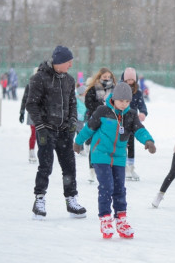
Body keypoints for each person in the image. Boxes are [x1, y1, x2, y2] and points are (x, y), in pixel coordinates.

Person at [73, 82, 156, 239]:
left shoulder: (130, 115)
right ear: (114, 98)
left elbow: (140, 130)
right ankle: (105, 218)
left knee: (119, 188)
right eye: (121, 100)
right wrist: (78, 142)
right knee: (106, 186)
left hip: (118, 157)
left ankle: (121, 218)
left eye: (127, 101)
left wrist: (148, 141)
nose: (124, 104)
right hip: (100, 154)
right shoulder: (103, 111)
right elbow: (89, 128)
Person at [25, 45, 87, 220]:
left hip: (64, 131)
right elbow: (31, 104)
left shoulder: (68, 80)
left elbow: (73, 103)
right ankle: (39, 200)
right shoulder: (39, 78)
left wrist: (73, 121)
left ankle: (71, 200)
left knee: (69, 167)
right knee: (45, 166)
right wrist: (40, 126)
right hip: (46, 130)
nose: (71, 65)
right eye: (69, 62)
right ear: (59, 62)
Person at [84, 68, 117, 183]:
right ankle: (92, 170)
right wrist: (101, 107)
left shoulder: (114, 89)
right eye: (105, 77)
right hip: (95, 119)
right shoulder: (93, 89)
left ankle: (107, 168)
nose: (107, 79)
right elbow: (88, 103)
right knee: (95, 144)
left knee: (108, 144)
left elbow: (118, 103)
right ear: (99, 77)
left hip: (110, 121)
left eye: (109, 77)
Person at [120, 67, 147, 181]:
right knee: (122, 144)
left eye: (132, 80)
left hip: (132, 121)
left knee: (131, 144)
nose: (130, 82)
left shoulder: (138, 92)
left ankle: (131, 167)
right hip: (121, 120)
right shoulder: (119, 90)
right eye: (127, 80)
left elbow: (142, 105)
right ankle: (124, 167)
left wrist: (143, 113)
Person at [74, 85, 87, 155]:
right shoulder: (77, 99)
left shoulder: (85, 99)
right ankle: (75, 148)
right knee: (74, 134)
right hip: (76, 119)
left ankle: (81, 149)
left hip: (81, 120)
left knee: (81, 134)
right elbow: (74, 108)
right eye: (85, 92)